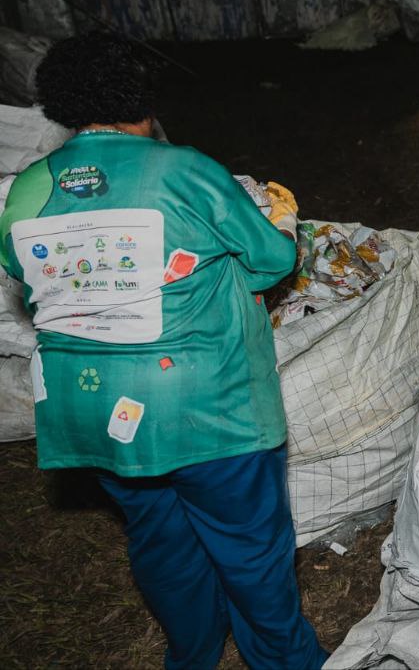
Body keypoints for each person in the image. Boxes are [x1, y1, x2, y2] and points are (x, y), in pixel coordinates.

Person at [0, 33, 326, 670]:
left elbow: (19, 266)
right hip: (209, 411)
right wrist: (280, 226)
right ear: (142, 98)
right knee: (250, 549)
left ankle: (193, 654)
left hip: (96, 410)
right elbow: (269, 260)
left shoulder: (27, 188)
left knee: (158, 538)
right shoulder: (181, 169)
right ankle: (287, 662)